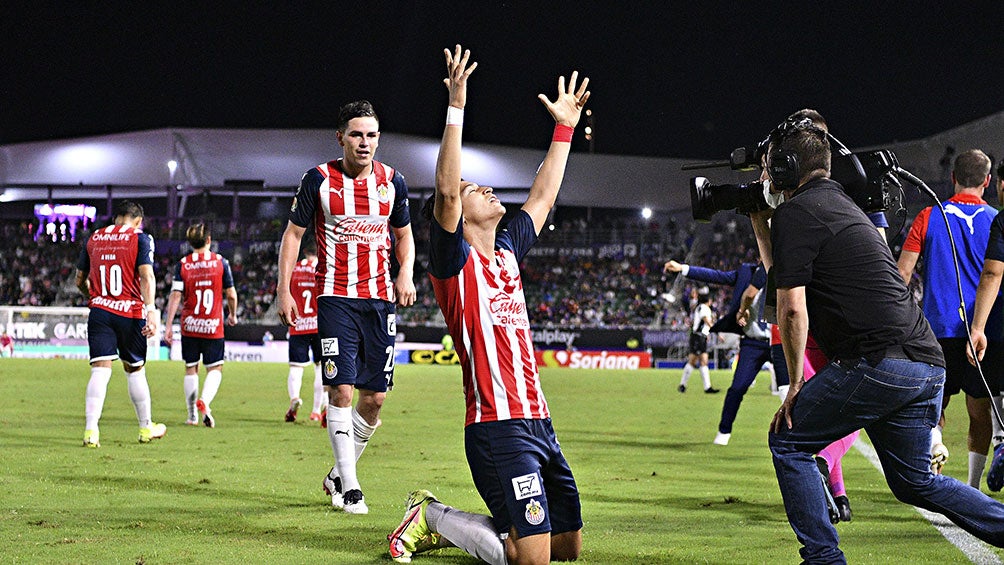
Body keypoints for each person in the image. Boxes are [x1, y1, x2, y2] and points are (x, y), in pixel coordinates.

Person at [758, 116, 1004, 562]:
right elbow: (785, 279)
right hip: (925, 361)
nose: (764, 176)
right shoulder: (842, 205)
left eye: (768, 167)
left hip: (878, 360)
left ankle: (824, 559)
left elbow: (790, 307)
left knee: (790, 440)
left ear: (785, 168)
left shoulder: (796, 213)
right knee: (914, 481)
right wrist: (762, 222)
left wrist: (796, 385)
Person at [386, 45, 587, 565]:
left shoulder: (506, 250)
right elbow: (447, 194)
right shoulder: (453, 264)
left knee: (567, 549)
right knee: (531, 561)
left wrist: (563, 130)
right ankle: (431, 515)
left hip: (540, 422)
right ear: (459, 213)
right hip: (498, 427)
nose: (489, 190)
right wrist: (457, 104)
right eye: (479, 189)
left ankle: (496, 529)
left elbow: (541, 197)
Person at [276, 99, 417, 515]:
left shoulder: (394, 182)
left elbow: (404, 235)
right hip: (335, 296)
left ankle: (338, 471)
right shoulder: (318, 180)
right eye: (356, 134)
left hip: (379, 301)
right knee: (340, 389)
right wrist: (284, 290)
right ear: (340, 138)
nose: (364, 143)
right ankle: (351, 487)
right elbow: (292, 236)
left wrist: (405, 272)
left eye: (372, 135)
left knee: (374, 400)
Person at [897, 149, 1002, 486]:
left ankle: (935, 449)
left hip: (936, 329)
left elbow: (902, 275)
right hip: (982, 331)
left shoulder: (929, 216)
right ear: (987, 181)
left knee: (932, 408)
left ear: (953, 178)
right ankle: (971, 486)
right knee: (979, 410)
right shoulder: (997, 220)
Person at [76, 200, 166, 447]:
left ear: (116, 218)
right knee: (135, 370)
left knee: (100, 371)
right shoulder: (141, 238)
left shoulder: (94, 238)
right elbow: (146, 276)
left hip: (100, 311)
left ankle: (91, 431)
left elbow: (79, 279)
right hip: (130, 312)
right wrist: (151, 309)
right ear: (138, 220)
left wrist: (94, 297)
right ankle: (146, 428)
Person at [664, 259, 768, 445]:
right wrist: (683, 268)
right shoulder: (747, 272)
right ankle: (723, 432)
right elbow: (716, 276)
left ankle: (801, 442)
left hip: (784, 342)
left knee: (792, 389)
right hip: (753, 342)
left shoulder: (790, 269)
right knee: (737, 388)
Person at [164, 223, 238, 428]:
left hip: (190, 325)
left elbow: (176, 295)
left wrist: (169, 325)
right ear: (209, 240)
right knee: (215, 368)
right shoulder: (221, 262)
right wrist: (232, 314)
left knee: (190, 368)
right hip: (213, 325)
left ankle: (191, 416)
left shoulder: (183, 264)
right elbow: (231, 294)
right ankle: (204, 401)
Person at [968, 158, 1004, 490]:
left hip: (996, 328)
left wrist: (977, 327)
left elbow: (993, 272)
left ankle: (1002, 442)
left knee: (987, 395)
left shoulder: (1002, 220)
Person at [284, 244, 327, 423]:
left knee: (296, 367)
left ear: (304, 251)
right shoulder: (322, 269)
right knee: (320, 367)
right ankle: (317, 410)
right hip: (319, 325)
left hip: (298, 324)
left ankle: (295, 398)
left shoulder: (294, 269)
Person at [678, 288, 719, 393]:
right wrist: (717, 332)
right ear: (709, 301)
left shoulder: (700, 307)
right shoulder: (704, 308)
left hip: (700, 336)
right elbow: (706, 321)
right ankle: (684, 385)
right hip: (698, 337)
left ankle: (706, 387)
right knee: (695, 360)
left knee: (701, 360)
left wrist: (707, 333)